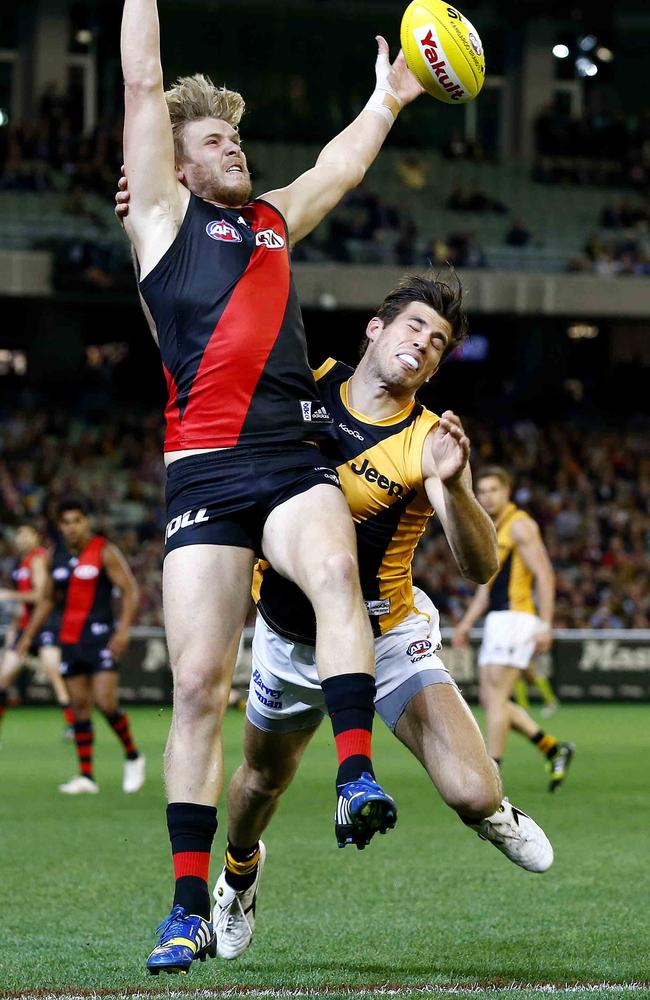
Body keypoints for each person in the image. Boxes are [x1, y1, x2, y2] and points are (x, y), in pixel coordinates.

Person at [120, 0, 425, 973]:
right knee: (199, 686)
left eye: (238, 135)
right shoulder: (163, 220)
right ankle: (183, 906)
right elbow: (138, 79)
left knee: (336, 572)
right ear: (175, 162)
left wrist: (385, 97)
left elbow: (339, 166)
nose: (235, 148)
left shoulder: (268, 222)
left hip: (289, 458)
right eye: (217, 139)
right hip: (203, 473)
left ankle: (351, 772)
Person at [209, 274, 554, 961]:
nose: (424, 344)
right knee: (258, 785)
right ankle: (239, 879)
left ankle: (497, 811)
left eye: (438, 343)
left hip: (386, 635)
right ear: (375, 328)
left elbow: (482, 566)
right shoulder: (306, 384)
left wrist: (455, 487)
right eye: (414, 327)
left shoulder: (429, 442)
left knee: (471, 794)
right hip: (289, 634)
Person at [453, 467, 574, 791]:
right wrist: (465, 625)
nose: (488, 496)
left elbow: (545, 574)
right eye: (483, 491)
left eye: (493, 489)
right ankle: (552, 748)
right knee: (494, 700)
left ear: (507, 491)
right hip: (498, 619)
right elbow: (485, 589)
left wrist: (546, 624)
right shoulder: (493, 528)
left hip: (517, 617)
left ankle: (492, 774)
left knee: (495, 697)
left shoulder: (520, 525)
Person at [19, 499, 144, 795]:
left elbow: (129, 590)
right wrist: (28, 635)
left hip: (101, 638)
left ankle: (133, 756)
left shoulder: (103, 551)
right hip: (70, 640)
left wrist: (124, 631)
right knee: (79, 708)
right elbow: (47, 599)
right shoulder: (56, 556)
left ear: (86, 522)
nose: (71, 527)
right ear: (60, 526)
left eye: (77, 520)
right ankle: (86, 776)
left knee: (105, 702)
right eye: (66, 522)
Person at [0, 523, 74, 737]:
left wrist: (7, 595)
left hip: (45, 625)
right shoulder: (20, 562)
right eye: (18, 534)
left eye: (25, 534)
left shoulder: (38, 558)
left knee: (53, 672)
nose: (20, 538)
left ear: (35, 537)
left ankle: (73, 725)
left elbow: (40, 596)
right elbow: (23, 605)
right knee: (3, 679)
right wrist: (14, 630)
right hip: (24, 627)